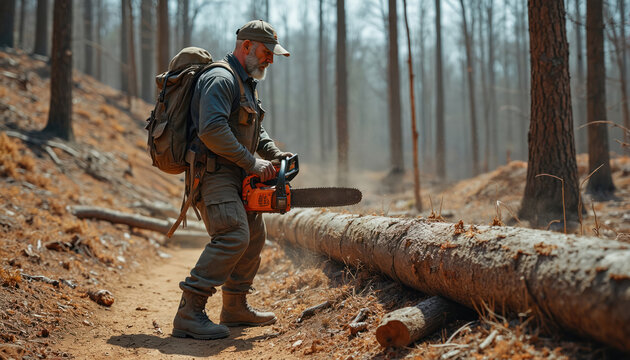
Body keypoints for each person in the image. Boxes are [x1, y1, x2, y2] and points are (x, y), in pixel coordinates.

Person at [172, 20, 292, 340]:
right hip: (214, 174)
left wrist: (273, 154)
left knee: (253, 236)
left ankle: (235, 306)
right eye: (267, 53)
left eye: (272, 56)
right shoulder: (220, 78)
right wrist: (252, 162)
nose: (269, 60)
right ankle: (189, 311)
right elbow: (212, 130)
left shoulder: (244, 83)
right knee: (233, 234)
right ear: (247, 46)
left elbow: (252, 128)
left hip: (237, 173)